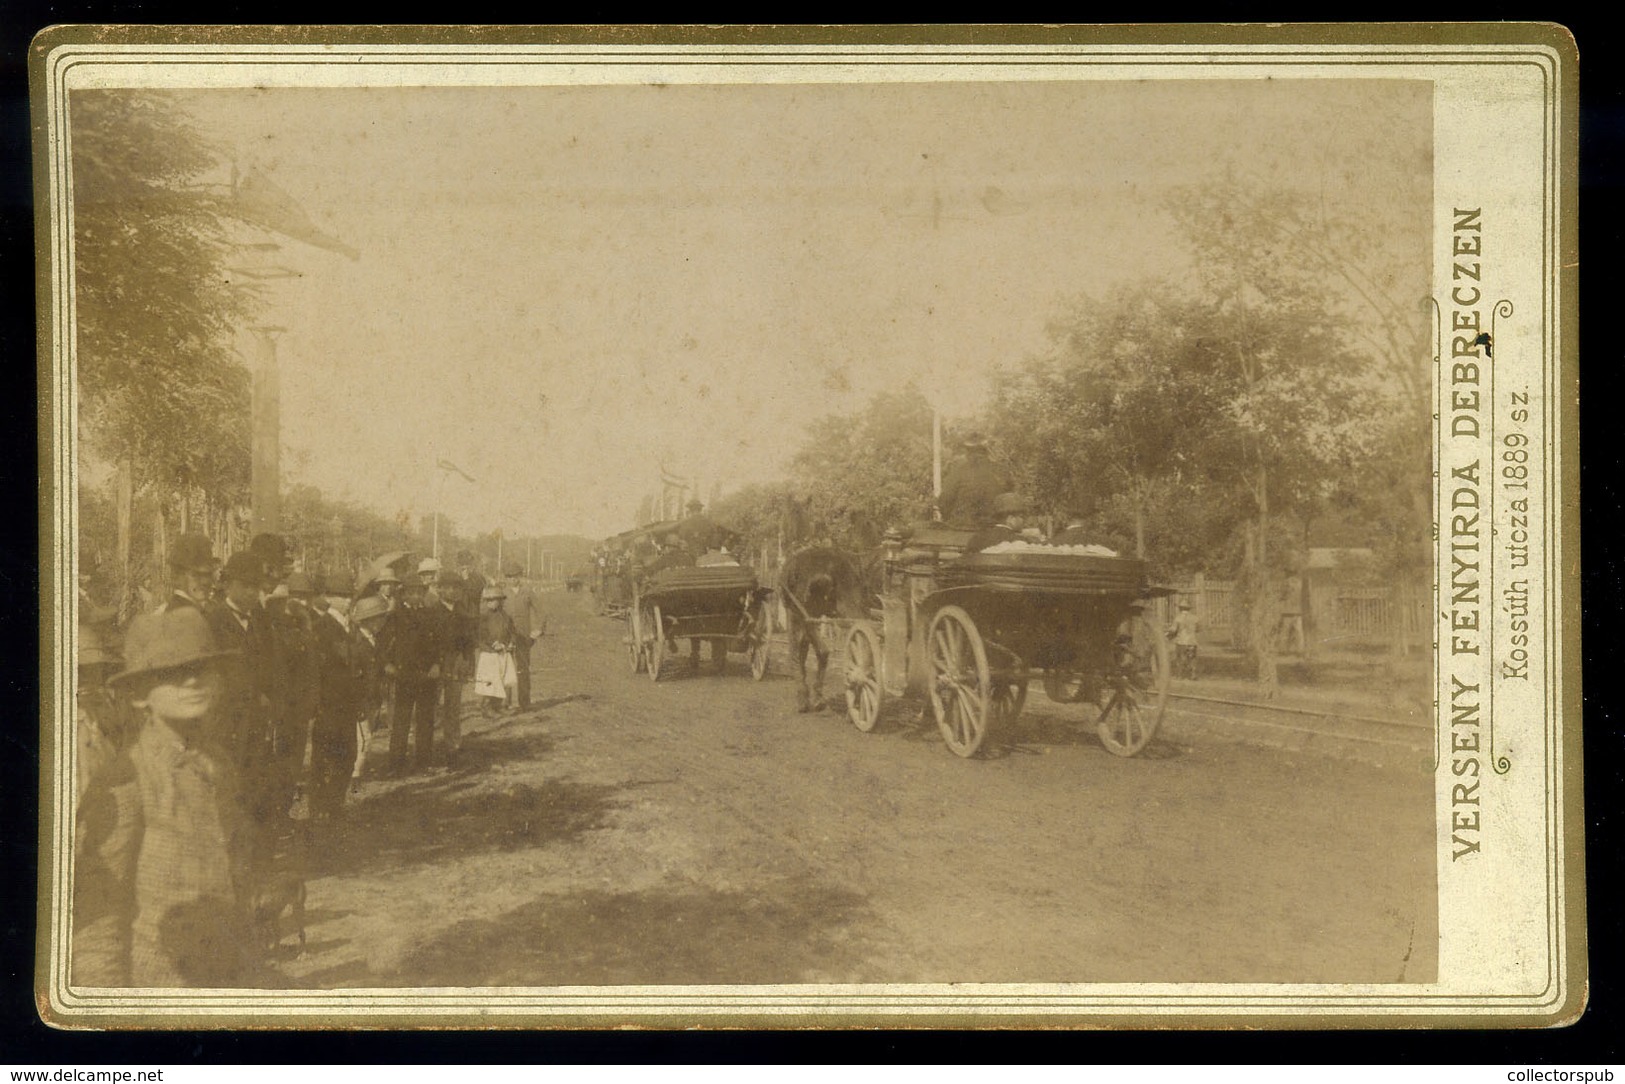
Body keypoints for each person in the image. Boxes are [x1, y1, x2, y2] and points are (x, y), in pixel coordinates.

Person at [73, 607, 262, 987]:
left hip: (228, 975)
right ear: (141, 696)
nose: (192, 680)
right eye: (172, 674)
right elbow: (98, 922)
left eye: (202, 667)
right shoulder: (128, 780)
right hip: (161, 983)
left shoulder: (219, 764)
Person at [308, 574, 359, 822]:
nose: (346, 601)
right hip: (329, 702)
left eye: (349, 596)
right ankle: (319, 806)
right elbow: (317, 669)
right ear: (328, 598)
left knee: (348, 753)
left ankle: (335, 803)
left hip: (348, 702)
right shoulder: (322, 628)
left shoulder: (351, 626)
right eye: (341, 596)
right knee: (325, 755)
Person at [386, 578, 438, 774]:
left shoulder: (429, 615)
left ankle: (423, 762)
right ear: (404, 594)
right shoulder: (395, 616)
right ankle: (396, 763)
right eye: (411, 592)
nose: (415, 596)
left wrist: (436, 664)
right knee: (401, 719)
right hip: (404, 674)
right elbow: (386, 643)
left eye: (419, 592)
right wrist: (389, 664)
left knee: (425, 719)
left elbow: (437, 643)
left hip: (426, 674)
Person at [429, 570, 473, 761]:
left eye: (456, 588)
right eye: (447, 588)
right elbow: (427, 643)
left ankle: (453, 744)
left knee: (453, 706)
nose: (452, 592)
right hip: (437, 663)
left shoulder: (462, 612)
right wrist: (432, 663)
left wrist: (468, 662)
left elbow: (469, 642)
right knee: (431, 705)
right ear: (439, 590)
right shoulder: (432, 612)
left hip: (456, 663)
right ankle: (426, 745)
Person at [349, 594, 391, 784]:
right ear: (368, 620)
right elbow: (355, 677)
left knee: (367, 734)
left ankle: (357, 770)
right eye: (379, 618)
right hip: (361, 698)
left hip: (373, 696)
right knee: (364, 737)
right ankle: (355, 775)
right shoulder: (358, 644)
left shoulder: (374, 640)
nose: (382, 622)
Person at [938, 432, 1011, 529]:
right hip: (993, 528)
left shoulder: (958, 471)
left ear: (967, 451)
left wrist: (952, 520)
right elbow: (1010, 500)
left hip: (962, 528)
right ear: (986, 451)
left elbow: (944, 501)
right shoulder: (1001, 471)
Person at [474, 584, 519, 717]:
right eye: (489, 600)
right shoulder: (483, 617)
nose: (492, 603)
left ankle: (498, 706)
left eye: (495, 600)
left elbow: (512, 632)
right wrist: (493, 644)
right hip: (489, 653)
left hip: (503, 652)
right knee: (490, 680)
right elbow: (482, 635)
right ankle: (487, 708)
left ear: (500, 601)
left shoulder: (505, 616)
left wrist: (511, 642)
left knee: (503, 679)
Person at [502, 564, 542, 709]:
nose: (513, 580)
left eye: (515, 577)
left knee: (523, 668)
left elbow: (541, 611)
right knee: (506, 668)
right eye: (509, 577)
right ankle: (505, 702)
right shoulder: (503, 592)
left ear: (520, 577)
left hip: (524, 637)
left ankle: (524, 702)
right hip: (506, 636)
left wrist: (537, 630)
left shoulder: (528, 592)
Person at [161, 532, 218, 613]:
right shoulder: (180, 613)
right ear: (177, 576)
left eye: (208, 575)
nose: (205, 581)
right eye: (195, 575)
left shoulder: (203, 609)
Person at [965, 492, 1032, 553]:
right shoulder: (1019, 541)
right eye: (1021, 517)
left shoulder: (976, 538)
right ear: (1010, 519)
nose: (1024, 521)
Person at [1169, 600, 1201, 680]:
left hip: (1181, 641)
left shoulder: (1178, 618)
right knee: (1192, 658)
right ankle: (1193, 675)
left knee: (1180, 658)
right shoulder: (1195, 618)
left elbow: (1173, 630)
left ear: (1180, 608)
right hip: (1192, 641)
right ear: (1189, 609)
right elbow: (1198, 629)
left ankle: (1180, 675)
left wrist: (1169, 634)